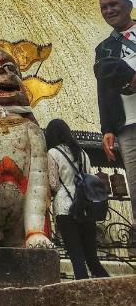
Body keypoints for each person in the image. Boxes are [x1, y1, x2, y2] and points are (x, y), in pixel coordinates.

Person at [45, 118, 109, 281]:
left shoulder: (53, 153)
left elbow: (52, 184)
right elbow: (88, 177)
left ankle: (83, 290)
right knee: (92, 257)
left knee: (76, 256)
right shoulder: (83, 153)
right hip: (86, 206)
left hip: (66, 208)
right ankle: (109, 286)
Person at [94, 0, 136, 226]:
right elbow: (104, 91)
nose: (109, 10)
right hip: (127, 124)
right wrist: (107, 129)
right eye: (104, 7)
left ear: (129, 5)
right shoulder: (104, 49)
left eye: (114, 4)